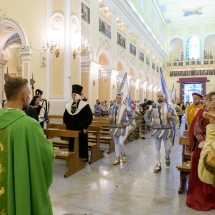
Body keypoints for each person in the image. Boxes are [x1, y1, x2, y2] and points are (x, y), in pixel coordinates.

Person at [0, 77, 54, 215]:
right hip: (19, 187)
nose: (29, 97)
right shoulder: (29, 125)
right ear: (24, 96)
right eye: (29, 94)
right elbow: (46, 156)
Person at [186, 92, 215, 211]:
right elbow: (196, 130)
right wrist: (203, 142)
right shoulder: (202, 114)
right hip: (204, 146)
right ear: (208, 100)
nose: (214, 101)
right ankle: (204, 194)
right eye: (212, 99)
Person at [144, 91, 177, 173]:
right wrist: (150, 123)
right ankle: (158, 164)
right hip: (157, 129)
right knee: (157, 148)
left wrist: (171, 117)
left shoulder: (169, 107)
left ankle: (167, 156)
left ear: (164, 97)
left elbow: (176, 118)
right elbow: (146, 116)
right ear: (156, 97)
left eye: (161, 96)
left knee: (167, 148)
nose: (160, 97)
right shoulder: (152, 107)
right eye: (158, 96)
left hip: (167, 129)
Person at [63, 84, 93, 161]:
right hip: (72, 129)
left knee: (81, 144)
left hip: (81, 129)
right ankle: (72, 158)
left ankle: (82, 158)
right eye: (72, 94)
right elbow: (65, 117)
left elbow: (89, 117)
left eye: (74, 94)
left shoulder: (85, 105)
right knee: (72, 144)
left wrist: (85, 127)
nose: (73, 96)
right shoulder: (68, 105)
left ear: (78, 95)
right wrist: (67, 127)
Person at [108, 92, 133, 165]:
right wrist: (109, 118)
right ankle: (117, 157)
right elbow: (110, 118)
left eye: (120, 98)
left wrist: (127, 123)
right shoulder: (112, 108)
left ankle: (124, 155)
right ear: (115, 98)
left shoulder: (126, 108)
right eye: (117, 98)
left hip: (122, 127)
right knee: (116, 143)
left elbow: (131, 117)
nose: (118, 99)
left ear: (122, 99)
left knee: (121, 142)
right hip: (114, 127)